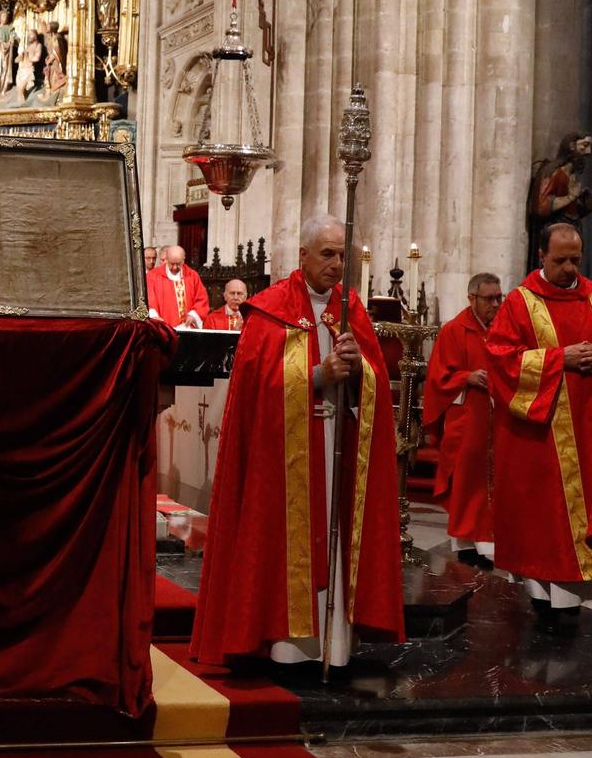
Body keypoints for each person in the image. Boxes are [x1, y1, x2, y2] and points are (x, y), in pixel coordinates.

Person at [190, 215, 403, 671]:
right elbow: (255, 392)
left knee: (335, 534)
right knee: (283, 542)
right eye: (327, 254)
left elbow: (377, 382)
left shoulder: (351, 309)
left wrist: (360, 371)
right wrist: (317, 377)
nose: (336, 264)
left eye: (342, 255)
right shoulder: (270, 311)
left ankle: (333, 644)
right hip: (283, 459)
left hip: (335, 444)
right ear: (302, 255)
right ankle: (288, 645)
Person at [488, 222, 592, 612]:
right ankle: (545, 604)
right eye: (561, 260)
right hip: (543, 437)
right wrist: (558, 359)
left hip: (589, 432)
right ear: (542, 256)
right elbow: (500, 359)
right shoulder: (521, 303)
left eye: (576, 260)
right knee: (545, 525)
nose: (570, 269)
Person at [422, 271, 504, 564]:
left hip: (498, 418)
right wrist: (467, 376)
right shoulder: (454, 330)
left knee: (491, 477)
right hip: (467, 417)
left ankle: (485, 538)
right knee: (468, 477)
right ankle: (466, 539)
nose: (495, 304)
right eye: (489, 298)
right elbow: (438, 376)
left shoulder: (503, 328)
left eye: (499, 297)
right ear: (472, 298)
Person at [146, 245, 209, 329]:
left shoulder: (192, 276)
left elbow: (202, 299)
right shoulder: (153, 276)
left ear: (183, 260)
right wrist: (154, 316)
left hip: (187, 328)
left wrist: (193, 315)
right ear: (166, 259)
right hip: (162, 329)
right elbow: (149, 300)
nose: (175, 267)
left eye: (178, 264)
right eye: (171, 264)